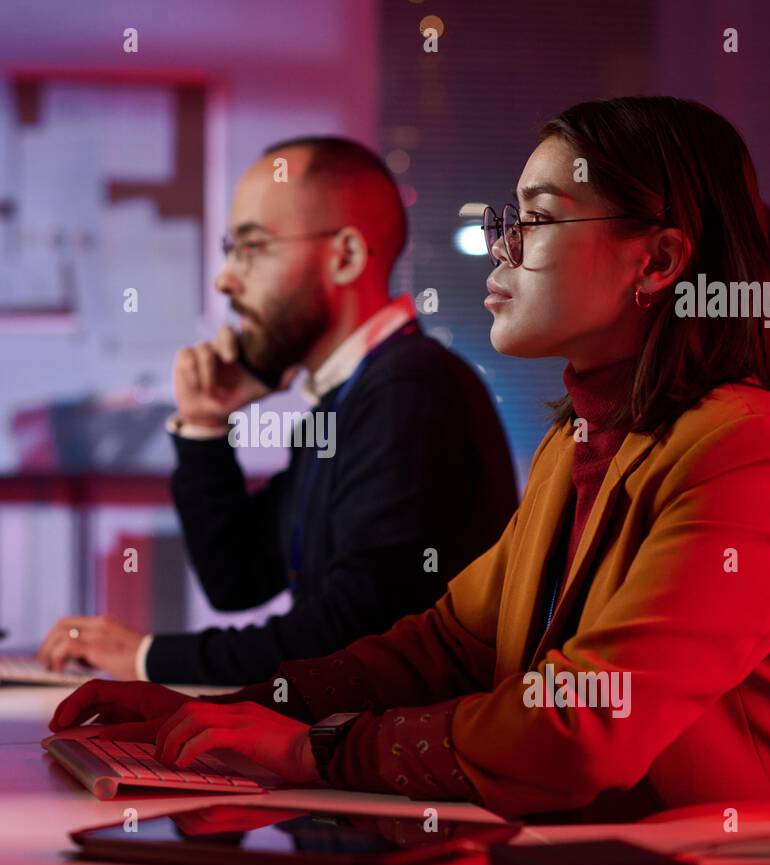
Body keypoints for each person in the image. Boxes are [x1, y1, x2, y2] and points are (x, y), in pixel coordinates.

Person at [47, 97, 770, 822]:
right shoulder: (580, 442)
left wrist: (315, 750)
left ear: (656, 261)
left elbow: (582, 726)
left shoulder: (754, 449)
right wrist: (230, 711)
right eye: (507, 218)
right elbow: (445, 646)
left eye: (537, 218)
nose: (501, 246)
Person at [38, 136, 517, 686]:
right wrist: (205, 426)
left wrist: (148, 656)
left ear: (345, 257)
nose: (225, 279)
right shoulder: (350, 395)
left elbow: (352, 638)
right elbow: (238, 579)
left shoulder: (409, 392)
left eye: (252, 247)